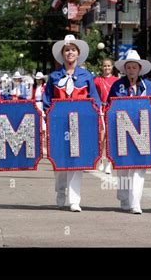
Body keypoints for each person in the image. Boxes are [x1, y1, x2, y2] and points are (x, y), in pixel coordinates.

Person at [43, 34, 101, 212]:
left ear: (78, 53)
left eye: (73, 50)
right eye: (67, 50)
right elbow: (47, 101)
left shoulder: (86, 76)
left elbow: (95, 101)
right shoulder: (53, 77)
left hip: (80, 124)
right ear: (62, 54)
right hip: (59, 125)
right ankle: (61, 191)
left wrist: (93, 119)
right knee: (60, 160)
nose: (70, 53)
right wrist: (48, 119)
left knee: (77, 160)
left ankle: (75, 200)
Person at [107, 50, 151, 215]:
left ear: (139, 68)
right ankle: (124, 197)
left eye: (134, 67)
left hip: (142, 131)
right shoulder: (116, 85)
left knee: (139, 167)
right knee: (123, 165)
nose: (131, 70)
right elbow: (109, 107)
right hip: (121, 130)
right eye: (128, 67)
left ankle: (136, 202)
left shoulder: (148, 86)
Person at [94, 58, 119, 174]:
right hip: (102, 110)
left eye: (109, 66)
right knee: (101, 137)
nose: (107, 68)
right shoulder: (97, 80)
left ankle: (109, 162)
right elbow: (93, 95)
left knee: (111, 137)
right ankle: (100, 160)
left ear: (112, 67)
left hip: (112, 110)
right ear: (101, 67)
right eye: (105, 66)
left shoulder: (117, 80)